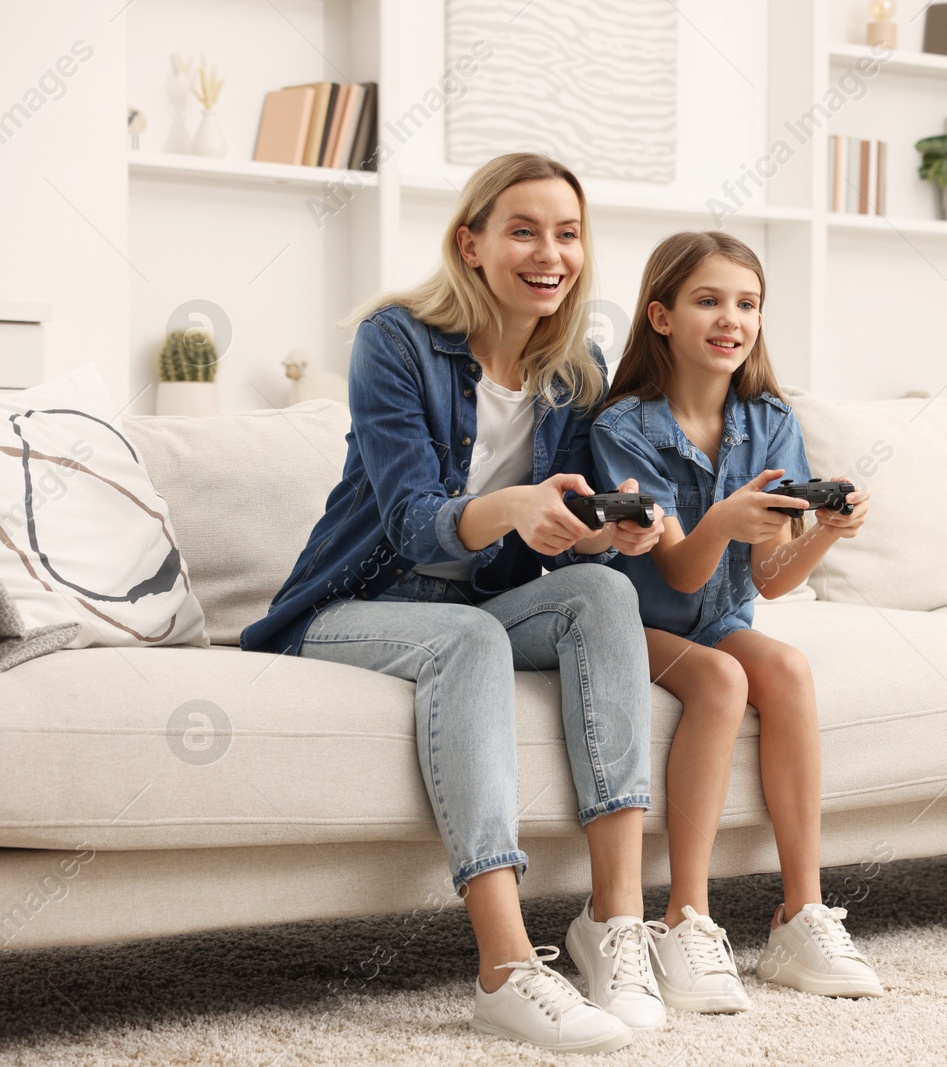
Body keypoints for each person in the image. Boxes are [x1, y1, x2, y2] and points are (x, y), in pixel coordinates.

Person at [240, 153, 671, 1054]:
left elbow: (572, 513)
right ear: (470, 244)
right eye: (523, 230)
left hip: (481, 598)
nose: (549, 252)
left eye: (567, 232)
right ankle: (507, 968)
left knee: (599, 593)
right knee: (470, 636)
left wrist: (607, 527)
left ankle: (616, 924)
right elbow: (406, 521)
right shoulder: (395, 339)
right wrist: (513, 507)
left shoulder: (577, 366)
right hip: (355, 601)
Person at [589, 231, 884, 1013]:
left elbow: (769, 579)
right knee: (720, 680)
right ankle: (685, 915)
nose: (732, 318)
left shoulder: (769, 419)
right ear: (661, 315)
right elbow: (680, 569)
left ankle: (800, 912)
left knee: (786, 668)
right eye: (708, 300)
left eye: (747, 303)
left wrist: (823, 529)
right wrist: (721, 516)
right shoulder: (623, 426)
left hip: (718, 616)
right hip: (635, 621)